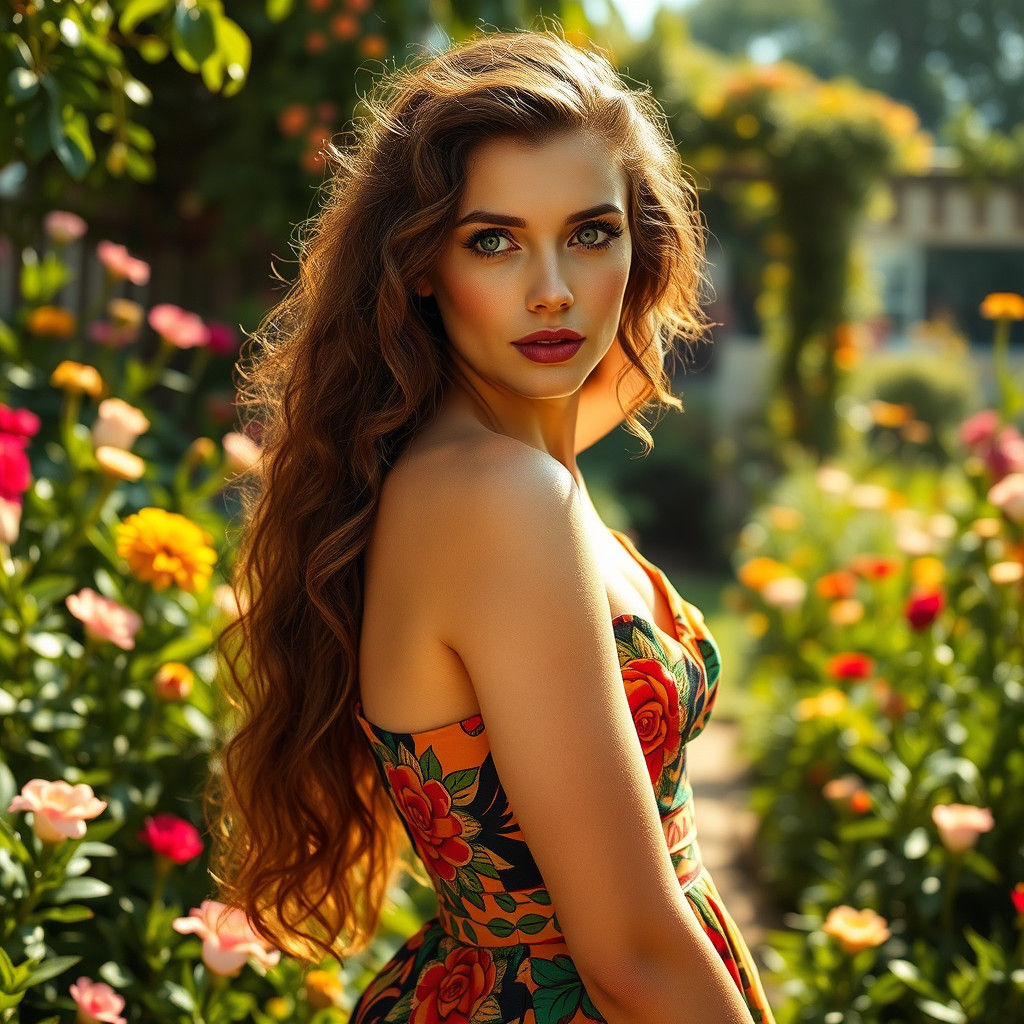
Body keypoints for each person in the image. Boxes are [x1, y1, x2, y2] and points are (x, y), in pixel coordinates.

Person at [205, 24, 776, 1024]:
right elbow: (633, 958)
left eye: (591, 234)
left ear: (638, 245)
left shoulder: (488, 459)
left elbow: (623, 374)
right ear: (422, 263)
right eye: (493, 241)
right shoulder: (502, 498)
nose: (552, 290)